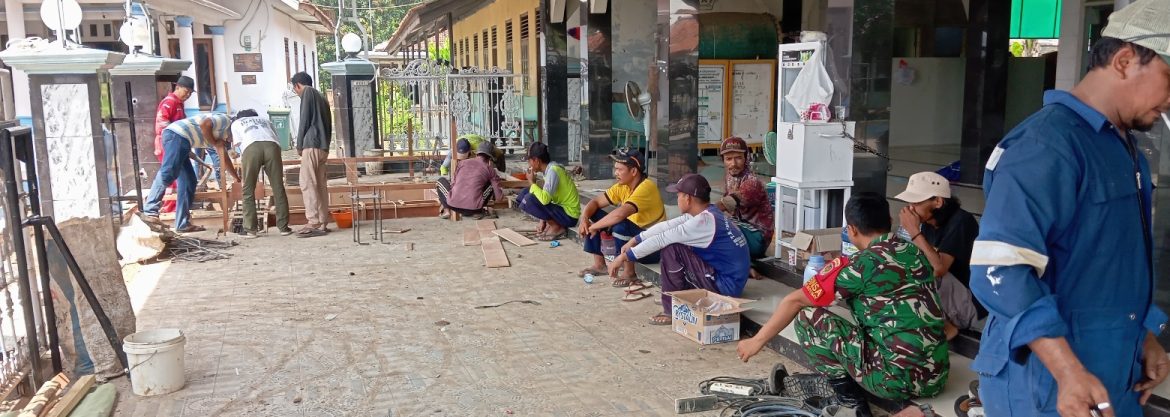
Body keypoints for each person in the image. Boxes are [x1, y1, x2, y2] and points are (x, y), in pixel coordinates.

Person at [968, 3, 1170, 416]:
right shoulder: (1046, 146)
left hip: (1112, 373)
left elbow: (1110, 262)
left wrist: (1145, 334)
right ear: (1125, 60)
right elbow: (999, 271)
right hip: (1046, 385)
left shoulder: (1127, 149)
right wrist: (1067, 371)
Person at [737, 193, 948, 417]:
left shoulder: (858, 265)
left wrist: (756, 341)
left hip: (894, 382)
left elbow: (794, 300)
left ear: (852, 230)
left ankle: (852, 404)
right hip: (936, 375)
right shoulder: (914, 252)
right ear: (889, 222)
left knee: (809, 317)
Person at [608, 173, 750, 325]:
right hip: (730, 280)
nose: (677, 199)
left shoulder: (703, 222)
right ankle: (680, 295)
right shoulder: (706, 213)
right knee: (680, 244)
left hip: (726, 287)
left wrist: (623, 257)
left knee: (672, 249)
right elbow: (668, 226)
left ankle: (670, 310)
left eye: (679, 195)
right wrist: (636, 239)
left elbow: (662, 239)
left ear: (688, 198)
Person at [894, 171, 983, 340]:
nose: (910, 209)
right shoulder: (928, 223)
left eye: (916, 202)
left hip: (968, 304)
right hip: (948, 298)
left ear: (938, 201)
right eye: (909, 202)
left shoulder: (961, 222)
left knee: (923, 272)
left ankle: (948, 327)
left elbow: (939, 269)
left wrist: (913, 231)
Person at [577, 148, 665, 287]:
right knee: (593, 214)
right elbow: (595, 202)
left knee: (620, 224)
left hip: (652, 248)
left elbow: (620, 214)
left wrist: (593, 226)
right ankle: (600, 265)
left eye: (619, 169)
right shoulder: (622, 186)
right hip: (635, 239)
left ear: (634, 171)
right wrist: (584, 219)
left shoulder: (647, 187)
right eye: (615, 169)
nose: (615, 173)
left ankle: (630, 273)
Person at [142, 113, 241, 232]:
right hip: (177, 135)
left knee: (189, 182)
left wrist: (237, 178)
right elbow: (205, 124)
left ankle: (182, 224)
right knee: (169, 172)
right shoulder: (225, 119)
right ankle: (150, 211)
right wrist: (214, 143)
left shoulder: (221, 135)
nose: (232, 140)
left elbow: (224, 157)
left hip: (183, 141)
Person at [716, 137, 774, 279]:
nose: (733, 164)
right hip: (741, 229)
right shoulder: (729, 177)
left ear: (746, 158)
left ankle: (743, 266)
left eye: (738, 158)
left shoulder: (752, 183)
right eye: (728, 159)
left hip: (757, 238)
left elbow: (726, 203)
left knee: (716, 229)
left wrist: (697, 213)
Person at [231, 110, 292, 238]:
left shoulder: (236, 123)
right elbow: (274, 137)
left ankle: (250, 230)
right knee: (278, 187)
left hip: (251, 148)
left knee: (248, 189)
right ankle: (284, 228)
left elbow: (238, 145)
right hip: (272, 147)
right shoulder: (265, 119)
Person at [291, 71, 333, 238]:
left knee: (307, 183)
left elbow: (304, 120)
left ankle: (313, 221)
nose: (297, 93)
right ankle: (323, 221)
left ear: (297, 85)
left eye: (295, 90)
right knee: (320, 185)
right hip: (323, 146)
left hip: (311, 144)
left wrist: (299, 144)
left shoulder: (307, 92)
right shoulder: (322, 97)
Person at [516, 142, 580, 241]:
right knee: (524, 194)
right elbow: (547, 198)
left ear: (536, 161)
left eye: (529, 161)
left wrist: (531, 182)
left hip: (569, 216)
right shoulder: (549, 170)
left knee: (529, 198)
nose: (529, 165)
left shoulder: (553, 171)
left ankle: (556, 227)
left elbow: (545, 200)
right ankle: (551, 224)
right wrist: (543, 220)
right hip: (561, 211)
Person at [153, 75, 195, 214]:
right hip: (169, 144)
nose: (188, 95)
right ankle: (158, 209)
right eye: (186, 91)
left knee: (187, 180)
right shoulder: (169, 102)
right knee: (170, 176)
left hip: (179, 145)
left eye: (190, 93)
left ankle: (180, 216)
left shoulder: (179, 104)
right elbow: (162, 123)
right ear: (177, 87)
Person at [435, 141, 504, 219]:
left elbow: (453, 184)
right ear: (490, 157)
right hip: (475, 208)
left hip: (453, 205)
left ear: (477, 153)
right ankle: (478, 212)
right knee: (491, 183)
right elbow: (499, 198)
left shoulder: (462, 163)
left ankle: (446, 209)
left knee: (440, 181)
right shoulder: (490, 170)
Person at [439, 133, 505, 175]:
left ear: (470, 150)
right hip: (470, 146)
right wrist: (444, 175)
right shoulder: (454, 147)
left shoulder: (479, 146)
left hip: (483, 143)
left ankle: (502, 176)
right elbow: (444, 166)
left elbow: (487, 162)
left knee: (499, 154)